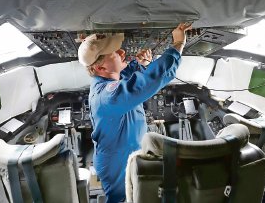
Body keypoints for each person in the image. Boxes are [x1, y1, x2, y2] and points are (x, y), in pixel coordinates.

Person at [77, 23, 192, 203]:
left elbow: (124, 76)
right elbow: (146, 82)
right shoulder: (108, 96)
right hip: (117, 162)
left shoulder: (108, 80)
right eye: (115, 53)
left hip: (124, 153)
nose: (122, 52)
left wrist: (140, 64)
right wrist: (177, 46)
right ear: (100, 68)